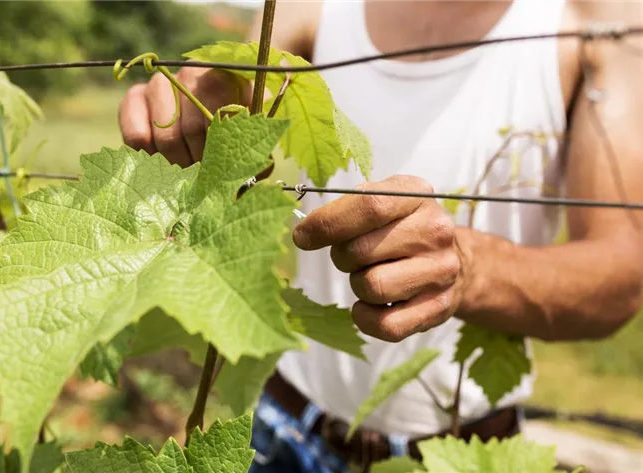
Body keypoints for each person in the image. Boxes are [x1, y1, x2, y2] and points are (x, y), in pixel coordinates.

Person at [118, 0, 643, 471]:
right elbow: (235, 92)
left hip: (461, 452)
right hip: (286, 430)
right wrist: (194, 100)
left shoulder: (597, 22)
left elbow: (623, 274)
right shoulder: (310, 7)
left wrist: (471, 267)